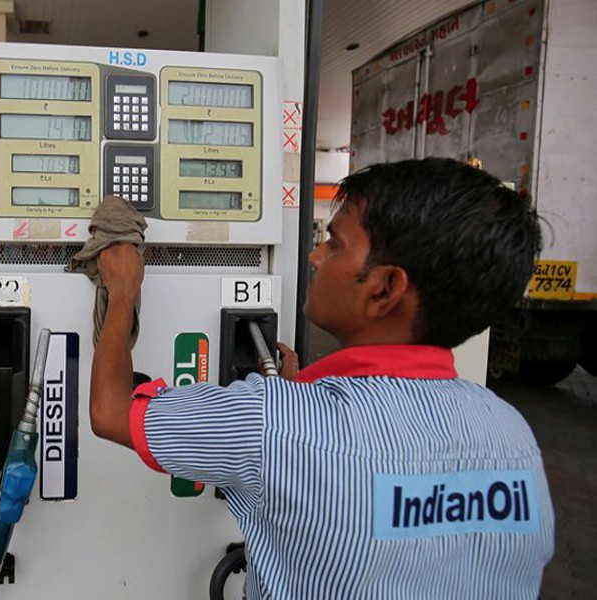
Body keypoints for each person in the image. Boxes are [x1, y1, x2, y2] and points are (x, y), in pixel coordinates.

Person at [89, 158, 554, 599]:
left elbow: (110, 412)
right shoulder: (513, 438)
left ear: (386, 289)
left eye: (334, 244)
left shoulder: (273, 421)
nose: (314, 256)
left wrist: (124, 291)